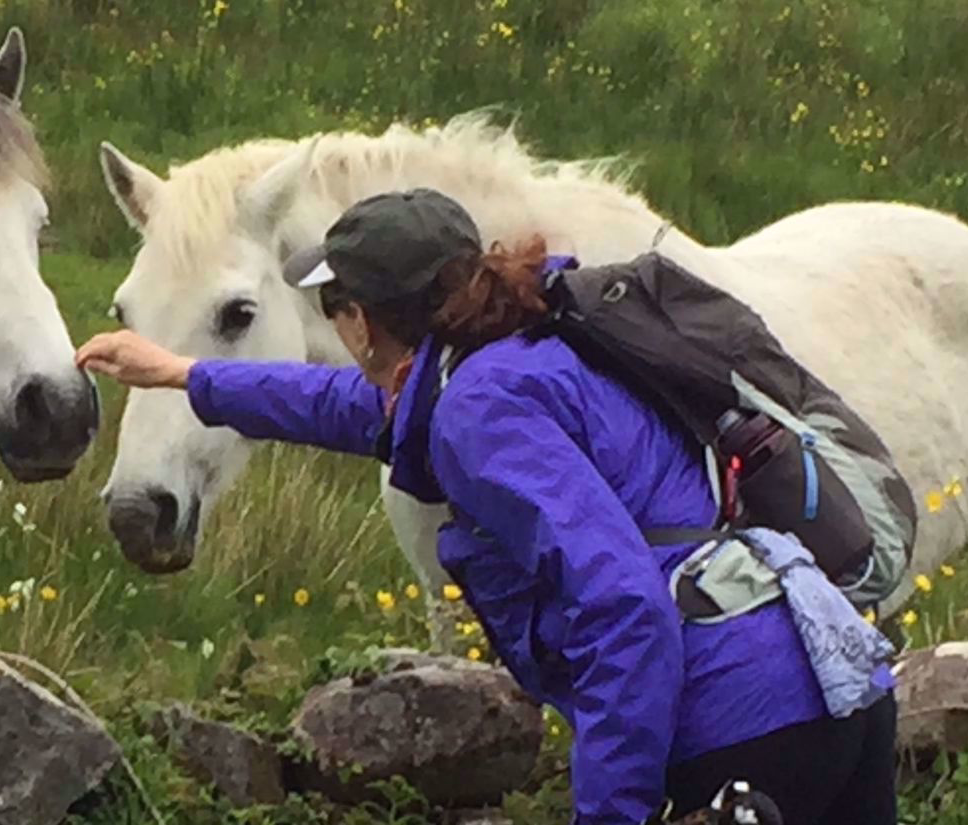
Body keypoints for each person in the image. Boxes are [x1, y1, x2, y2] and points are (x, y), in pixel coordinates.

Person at [75, 188, 899, 825]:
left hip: (741, 724)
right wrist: (186, 374)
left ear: (363, 320)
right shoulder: (521, 346)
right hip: (834, 685)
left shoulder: (478, 408)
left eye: (335, 305)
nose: (335, 326)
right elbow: (354, 408)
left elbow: (622, 606)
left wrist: (609, 812)